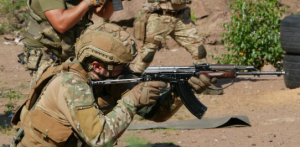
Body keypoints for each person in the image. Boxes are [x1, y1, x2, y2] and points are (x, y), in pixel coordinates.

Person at [11, 23, 216, 147]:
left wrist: (182, 90)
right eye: (121, 65)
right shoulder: (70, 85)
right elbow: (99, 139)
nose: (128, 69)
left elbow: (157, 114)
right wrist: (131, 101)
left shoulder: (109, 78)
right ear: (98, 66)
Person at [21, 0, 128, 88]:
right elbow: (61, 24)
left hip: (70, 51)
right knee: (52, 94)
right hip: (46, 53)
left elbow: (104, 14)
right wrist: (87, 2)